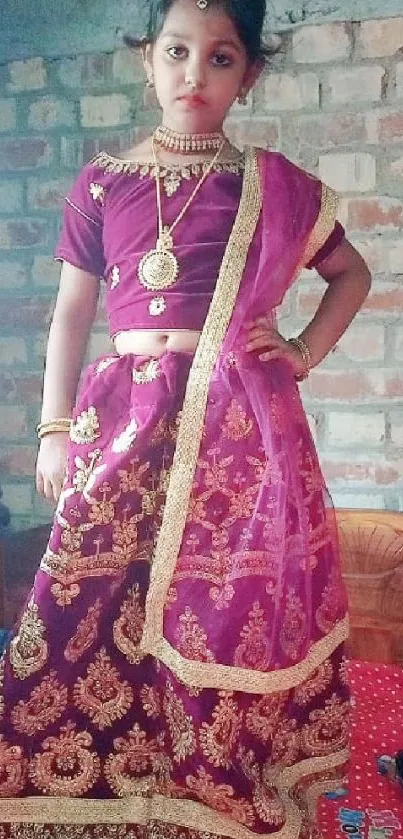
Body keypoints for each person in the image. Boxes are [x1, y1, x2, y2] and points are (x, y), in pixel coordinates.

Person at [0, 0, 372, 837]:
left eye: (220, 58)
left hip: (240, 427)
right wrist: (54, 431)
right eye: (176, 52)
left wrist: (305, 351)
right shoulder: (101, 183)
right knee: (94, 587)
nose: (193, 75)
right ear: (146, 60)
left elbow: (350, 274)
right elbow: (69, 315)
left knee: (227, 600)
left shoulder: (270, 186)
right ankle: (106, 765)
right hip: (127, 414)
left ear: (250, 75)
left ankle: (210, 768)